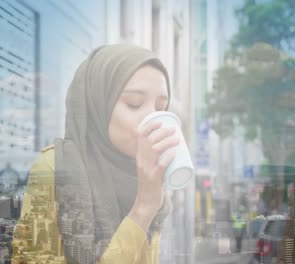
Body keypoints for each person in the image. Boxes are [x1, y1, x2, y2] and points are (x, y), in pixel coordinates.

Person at [12, 44, 180, 264]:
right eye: (134, 103)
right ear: (98, 104)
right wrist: (143, 209)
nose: (152, 119)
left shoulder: (148, 175)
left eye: (161, 107)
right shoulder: (55, 168)